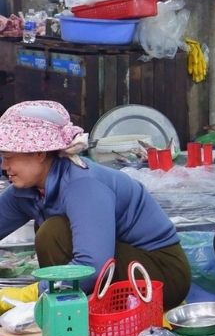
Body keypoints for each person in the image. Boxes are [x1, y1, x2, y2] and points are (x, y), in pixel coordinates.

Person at [0, 101, 190, 308]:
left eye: (9, 158)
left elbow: (93, 266)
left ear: (39, 153)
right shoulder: (26, 190)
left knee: (53, 232)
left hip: (162, 275)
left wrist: (33, 293)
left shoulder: (83, 185)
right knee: (51, 230)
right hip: (120, 266)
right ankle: (66, 307)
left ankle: (68, 310)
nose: (4, 167)